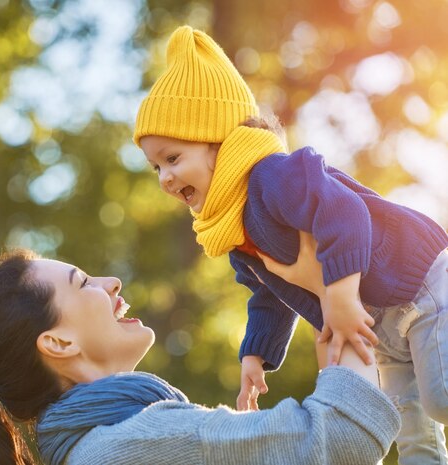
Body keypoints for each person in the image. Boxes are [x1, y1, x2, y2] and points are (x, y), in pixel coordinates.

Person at [132, 24, 448, 464]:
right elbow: (268, 293)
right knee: (412, 436)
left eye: (173, 158)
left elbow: (345, 213)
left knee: (442, 398)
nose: (165, 177)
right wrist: (256, 354)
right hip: (377, 326)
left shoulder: (272, 176)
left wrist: (338, 297)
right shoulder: (235, 231)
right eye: (155, 167)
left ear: (217, 144)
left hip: (420, 283)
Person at [0, 247, 400, 465]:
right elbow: (342, 439)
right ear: (59, 343)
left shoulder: (104, 448)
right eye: (83, 283)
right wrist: (339, 299)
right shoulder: (132, 445)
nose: (111, 283)